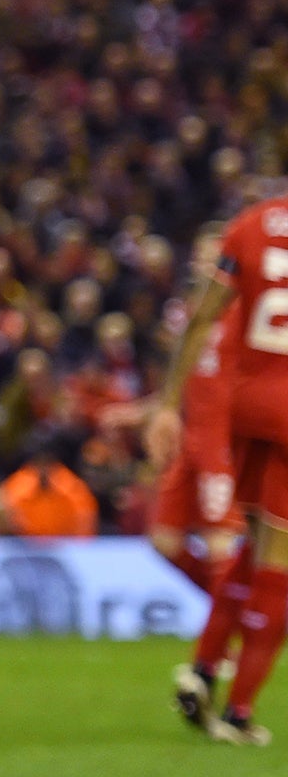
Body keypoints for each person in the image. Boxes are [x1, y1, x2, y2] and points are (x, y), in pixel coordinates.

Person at [151, 195, 288, 746]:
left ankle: (205, 669)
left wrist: (165, 402)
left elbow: (204, 314)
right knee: (279, 562)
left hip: (243, 403)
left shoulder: (249, 223)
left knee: (254, 544)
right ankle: (240, 714)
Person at [145, 226, 239, 595]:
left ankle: (230, 642)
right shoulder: (186, 313)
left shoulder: (242, 310)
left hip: (223, 437)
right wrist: (150, 411)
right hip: (189, 435)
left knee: (220, 541)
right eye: (200, 256)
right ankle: (233, 609)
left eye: (213, 257)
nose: (204, 264)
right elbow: (187, 382)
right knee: (163, 541)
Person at [0, 445, 100, 538]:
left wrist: (76, 548)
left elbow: (84, 522)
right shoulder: (16, 487)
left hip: (64, 545)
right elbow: (6, 521)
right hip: (25, 547)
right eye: (40, 463)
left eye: (47, 463)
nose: (44, 469)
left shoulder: (72, 488)